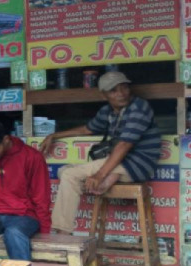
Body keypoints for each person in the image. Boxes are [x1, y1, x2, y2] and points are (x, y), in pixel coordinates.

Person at [40, 71, 160, 234]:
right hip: (120, 162)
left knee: (70, 175)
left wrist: (99, 175)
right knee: (64, 171)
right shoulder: (107, 111)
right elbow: (87, 129)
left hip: (137, 164)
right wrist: (54, 135)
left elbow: (124, 144)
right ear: (104, 95)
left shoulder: (138, 107)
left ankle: (62, 233)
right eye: (113, 90)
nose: (121, 93)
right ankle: (109, 179)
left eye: (124, 87)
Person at [0, 118, 51, 261]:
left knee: (14, 233)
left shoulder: (32, 157)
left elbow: (41, 197)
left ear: (6, 140)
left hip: (25, 216)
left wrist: (45, 231)